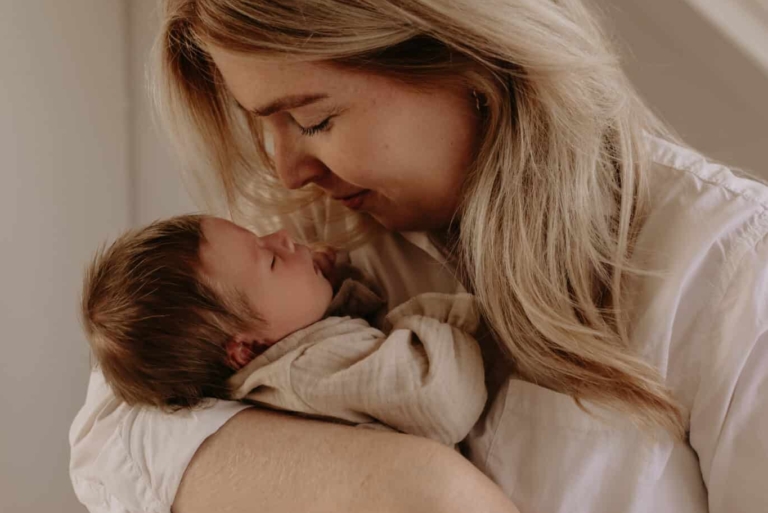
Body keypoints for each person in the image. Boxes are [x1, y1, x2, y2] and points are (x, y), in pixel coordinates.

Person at [69, 0, 768, 512]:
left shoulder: (729, 266)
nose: (285, 172)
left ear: (468, 59)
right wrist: (420, 488)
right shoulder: (316, 234)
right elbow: (111, 427)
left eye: (314, 120)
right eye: (265, 125)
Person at [80, 214, 486, 446]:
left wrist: (332, 287)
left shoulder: (277, 365)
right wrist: (447, 315)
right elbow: (442, 400)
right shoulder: (306, 369)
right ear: (246, 349)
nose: (283, 237)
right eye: (271, 261)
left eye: (262, 238)